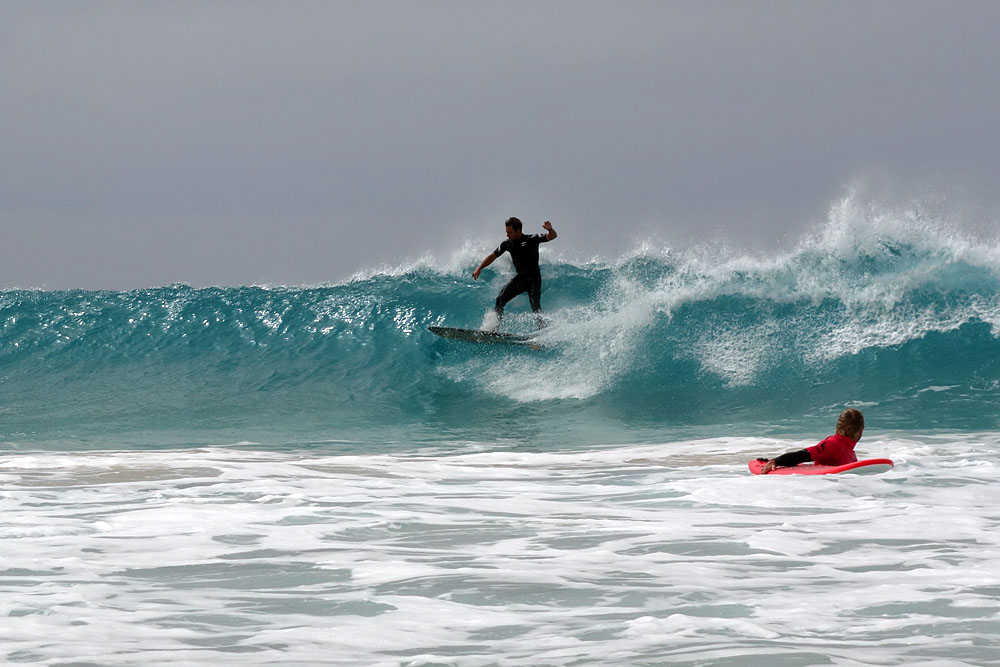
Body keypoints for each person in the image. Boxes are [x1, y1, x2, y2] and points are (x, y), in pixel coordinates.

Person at [472, 217, 557, 329]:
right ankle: (494, 330)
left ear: (518, 230)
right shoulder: (507, 244)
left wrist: (550, 229)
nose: (507, 235)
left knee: (535, 307)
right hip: (521, 278)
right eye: (507, 232)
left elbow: (552, 236)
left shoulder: (532, 239)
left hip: (534, 279)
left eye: (510, 232)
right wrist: (479, 268)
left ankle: (543, 330)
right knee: (500, 299)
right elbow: (493, 256)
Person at [758, 408, 865, 474]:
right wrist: (776, 461)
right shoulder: (833, 445)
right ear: (860, 430)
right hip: (820, 490)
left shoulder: (847, 450)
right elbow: (804, 455)